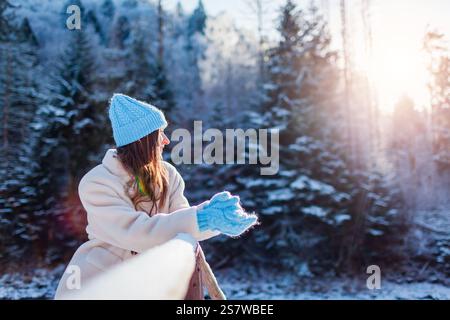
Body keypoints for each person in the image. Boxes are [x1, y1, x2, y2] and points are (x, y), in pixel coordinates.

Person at [54, 93, 258, 299]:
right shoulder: (97, 182)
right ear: (143, 140)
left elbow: (182, 223)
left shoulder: (168, 174)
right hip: (100, 283)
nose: (166, 140)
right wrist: (201, 219)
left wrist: (214, 220)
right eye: (161, 133)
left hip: (151, 284)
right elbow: (136, 232)